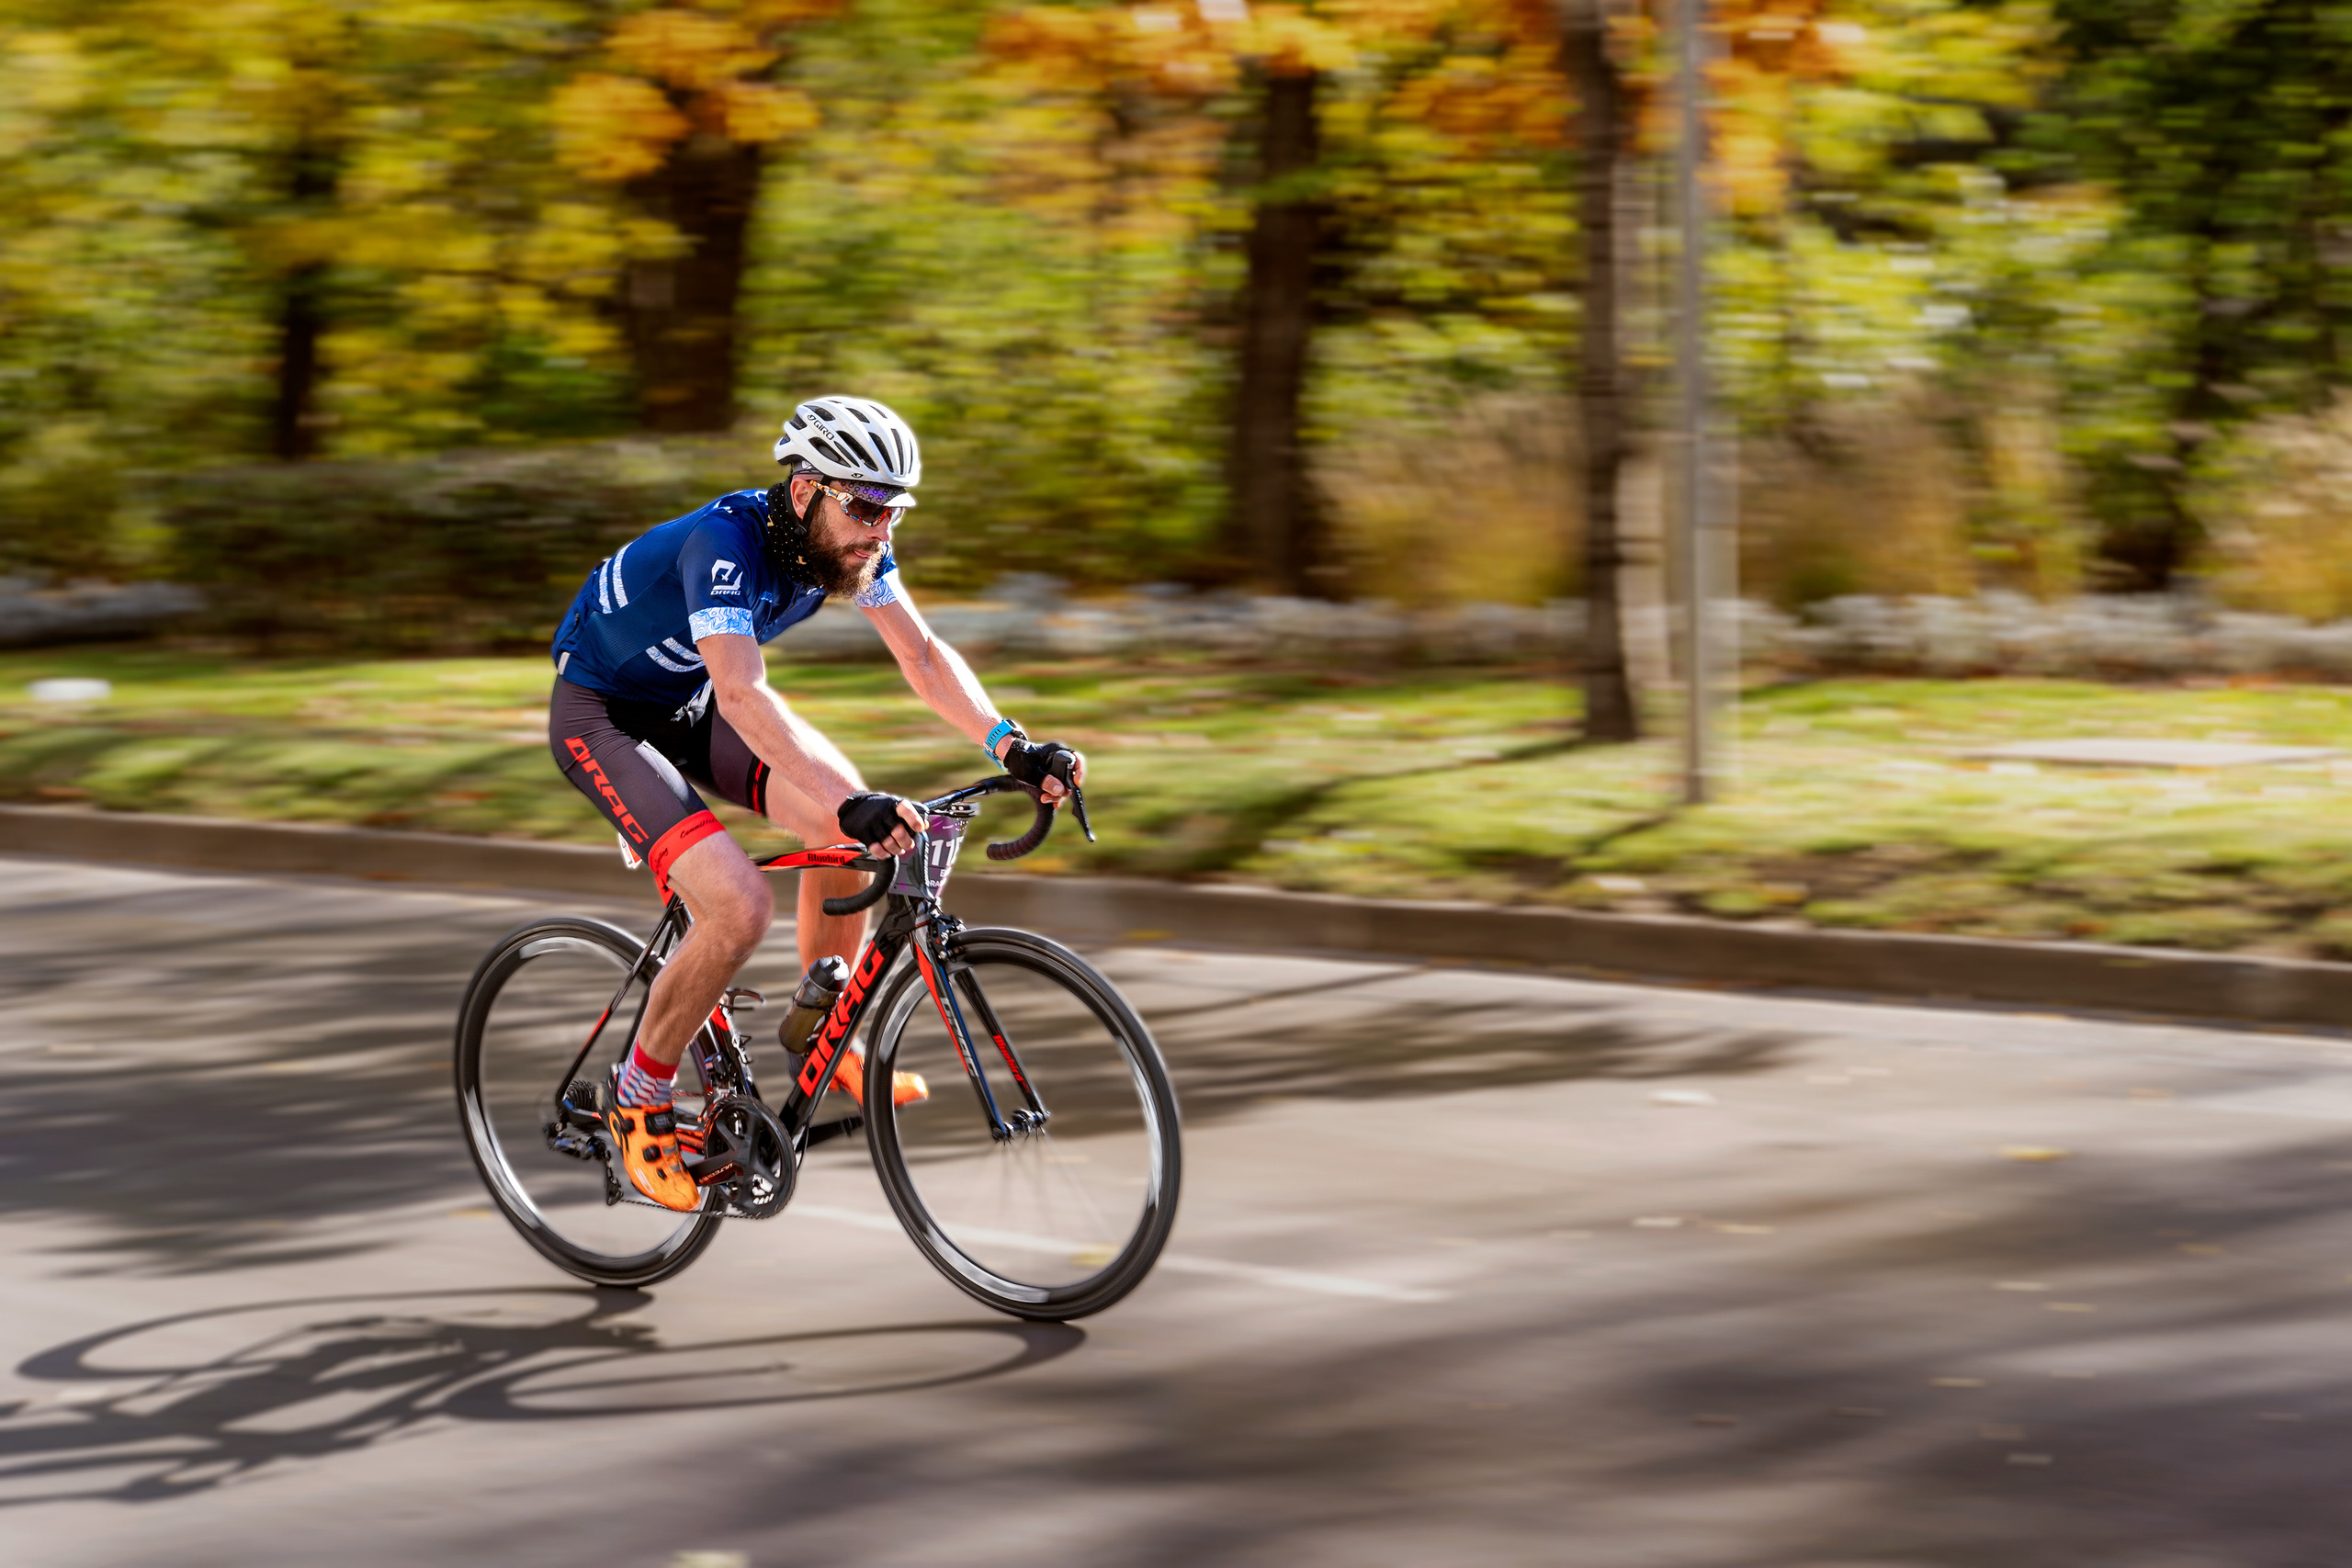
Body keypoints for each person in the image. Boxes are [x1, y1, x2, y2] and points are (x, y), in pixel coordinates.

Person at [546, 395, 1085, 1210]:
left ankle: (821, 1041)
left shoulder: (848, 548)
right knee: (740, 906)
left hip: (688, 703)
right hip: (604, 715)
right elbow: (742, 691)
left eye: (894, 510)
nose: (882, 530)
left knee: (862, 837)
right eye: (866, 508)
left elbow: (922, 655)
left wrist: (1013, 745)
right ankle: (638, 1094)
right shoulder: (725, 546)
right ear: (805, 492)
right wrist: (850, 798)